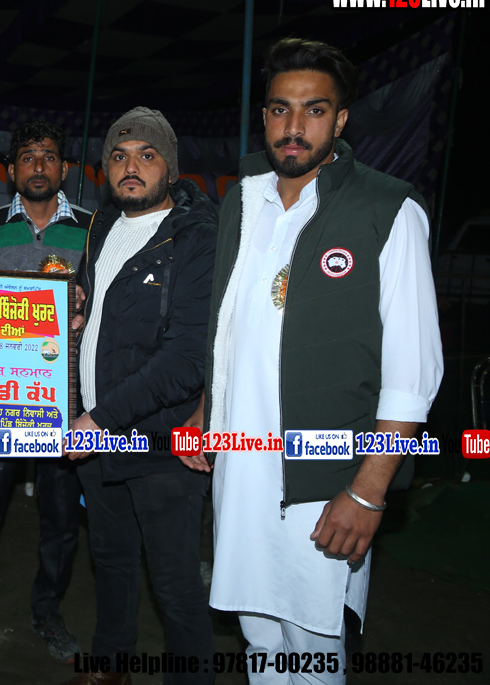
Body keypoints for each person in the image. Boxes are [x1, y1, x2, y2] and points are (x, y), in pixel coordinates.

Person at [181, 38, 443, 683]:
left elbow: (413, 373)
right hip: (241, 472)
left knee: (313, 642)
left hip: (323, 482)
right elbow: (232, 322)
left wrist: (368, 492)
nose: (294, 126)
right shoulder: (243, 201)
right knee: (259, 636)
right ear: (264, 116)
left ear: (341, 119)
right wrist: (207, 407)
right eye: (280, 109)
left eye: (314, 110)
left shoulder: (387, 209)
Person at [62, 108, 216, 685]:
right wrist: (77, 317)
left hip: (159, 440)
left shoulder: (196, 237)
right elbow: (104, 309)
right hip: (98, 434)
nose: (132, 167)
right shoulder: (103, 224)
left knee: (175, 585)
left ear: (170, 169)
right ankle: (111, 666)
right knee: (112, 562)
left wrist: (99, 419)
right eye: (120, 157)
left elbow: (185, 360)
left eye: (147, 156)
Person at [0, 118, 90, 663]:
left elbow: (107, 303)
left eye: (48, 156)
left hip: (66, 403)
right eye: (28, 156)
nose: (38, 166)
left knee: (61, 517)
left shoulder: (93, 230)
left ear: (64, 168)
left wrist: (85, 311)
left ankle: (48, 609)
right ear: (11, 169)